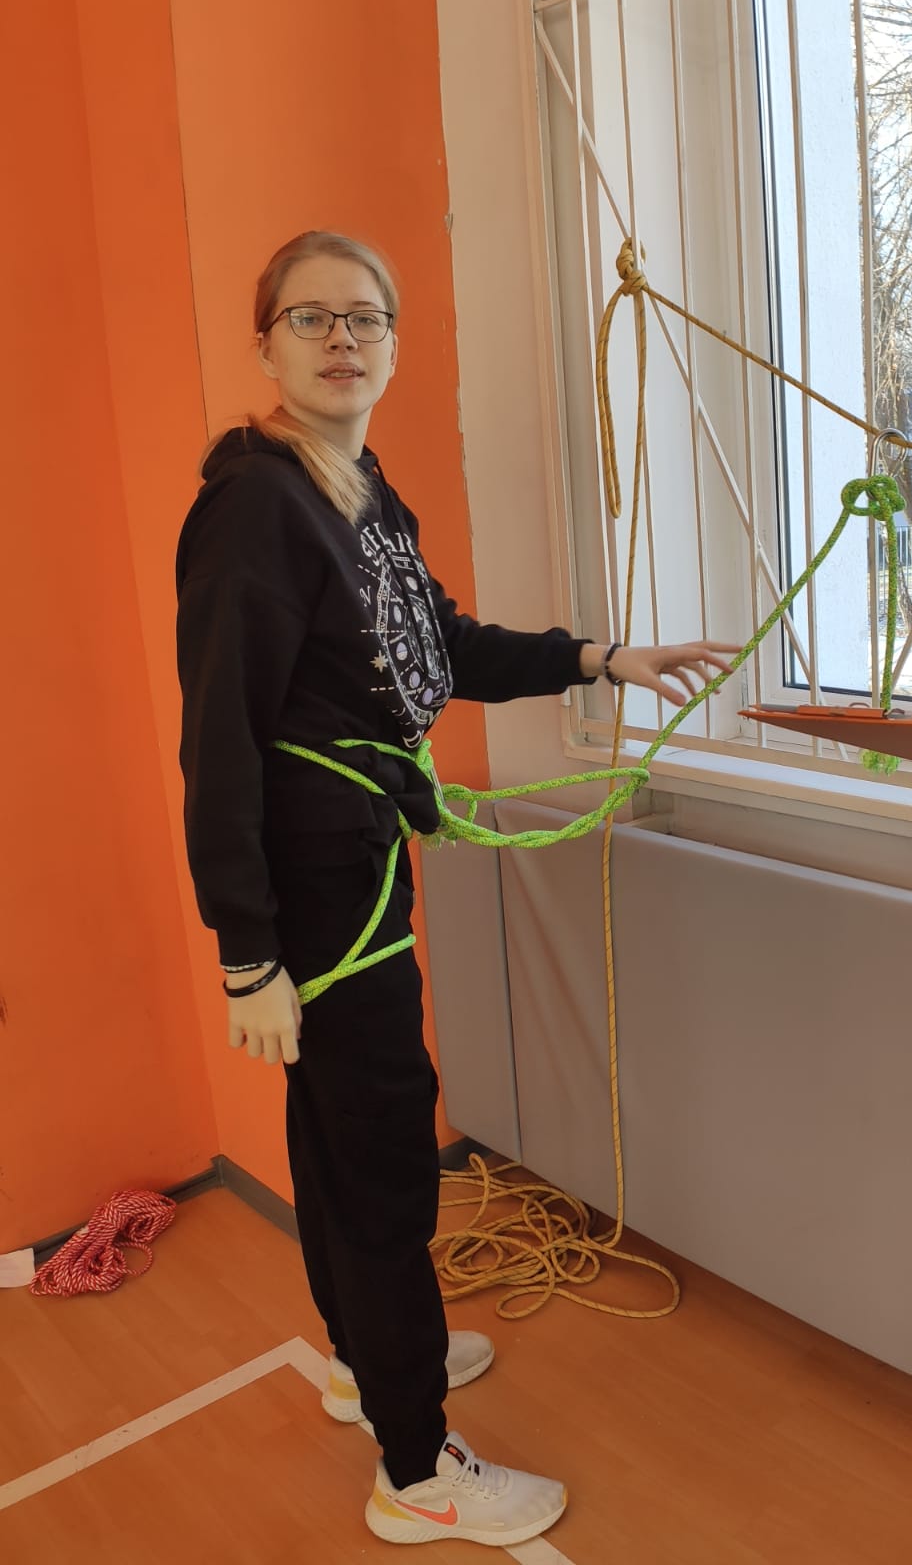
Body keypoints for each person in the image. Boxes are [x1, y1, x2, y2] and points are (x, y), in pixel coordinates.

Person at [175, 229, 736, 1548]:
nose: (343, 339)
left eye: (365, 317)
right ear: (265, 344)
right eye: (311, 318)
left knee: (339, 1135)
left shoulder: (360, 492)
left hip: (358, 865)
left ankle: (366, 1365)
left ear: (393, 342)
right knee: (378, 1150)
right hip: (319, 899)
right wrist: (248, 953)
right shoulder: (256, 508)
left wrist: (600, 657)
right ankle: (416, 1465)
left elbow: (443, 646)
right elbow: (219, 740)